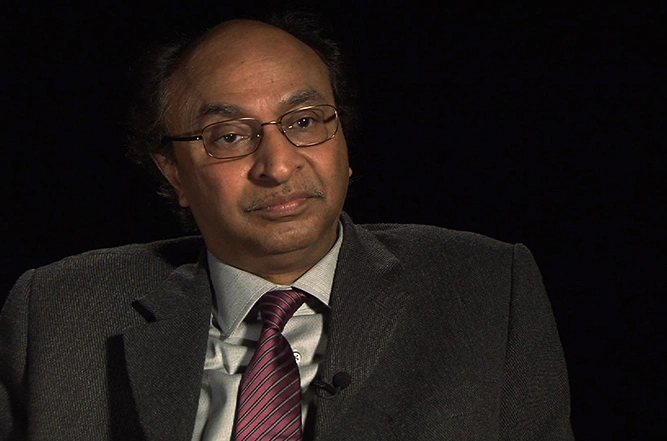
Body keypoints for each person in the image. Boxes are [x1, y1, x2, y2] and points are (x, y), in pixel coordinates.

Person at [0, 12, 573, 441]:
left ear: (343, 144)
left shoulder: (487, 287)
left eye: (304, 122)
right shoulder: (56, 311)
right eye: (228, 136)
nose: (278, 166)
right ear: (173, 171)